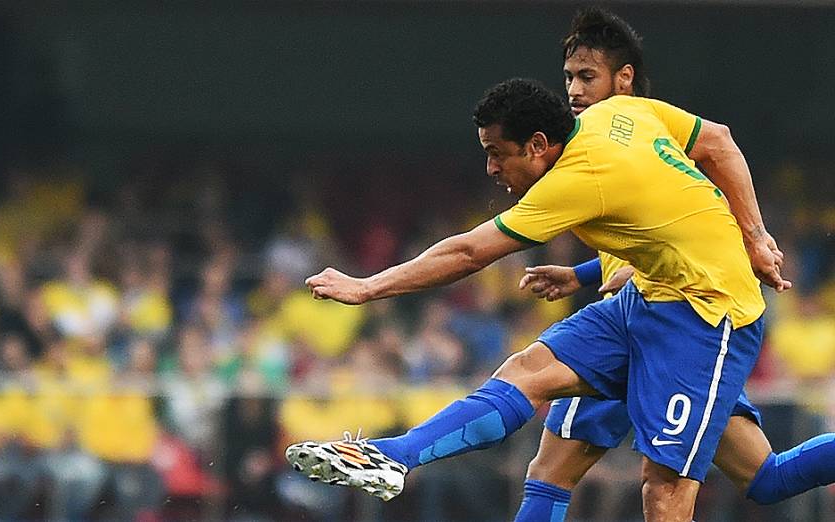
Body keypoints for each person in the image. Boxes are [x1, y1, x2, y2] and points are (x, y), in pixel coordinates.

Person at [286, 77, 788, 521]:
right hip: (644, 300)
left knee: (674, 490)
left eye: (497, 153)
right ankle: (394, 455)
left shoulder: (573, 182)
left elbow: (467, 252)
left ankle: (396, 455)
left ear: (538, 145)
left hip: (706, 318)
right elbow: (702, 163)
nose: (490, 168)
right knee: (532, 396)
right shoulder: (620, 110)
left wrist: (368, 286)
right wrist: (585, 271)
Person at [512, 8, 835, 521]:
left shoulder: (651, 135)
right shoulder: (585, 146)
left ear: (625, 79)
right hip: (635, 322)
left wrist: (755, 235)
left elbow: (691, 227)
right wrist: (581, 275)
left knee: (660, 489)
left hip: (688, 326)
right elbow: (646, 248)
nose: (572, 89)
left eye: (586, 77)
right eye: (569, 77)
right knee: (766, 478)